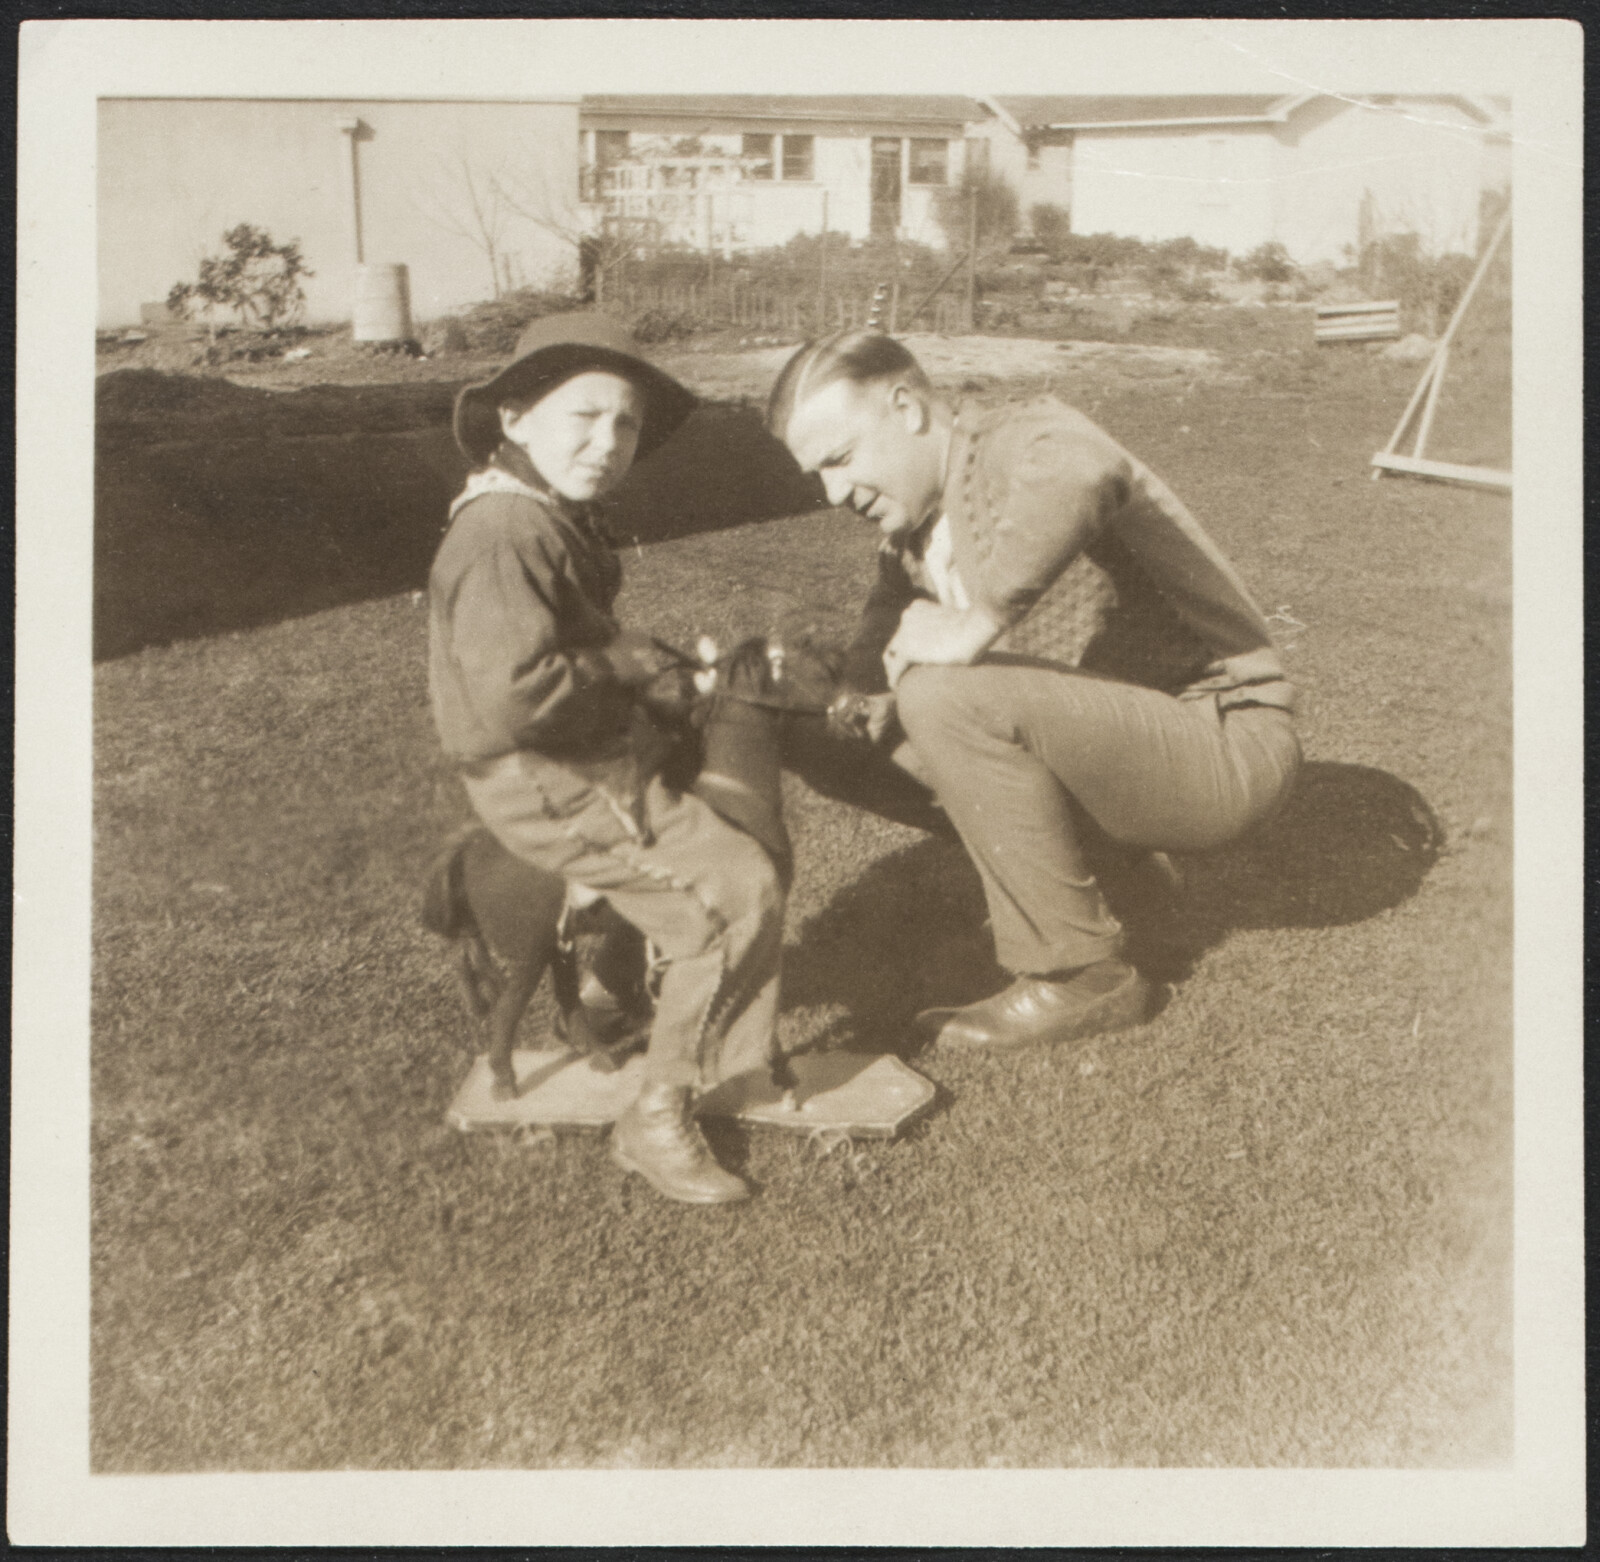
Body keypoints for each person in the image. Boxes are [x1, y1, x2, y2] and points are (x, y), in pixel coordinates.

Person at [769, 330, 1300, 1052]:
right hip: (1132, 754)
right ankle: (1121, 876)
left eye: (840, 458)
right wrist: (818, 706)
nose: (833, 493)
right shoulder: (913, 537)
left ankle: (1079, 974)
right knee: (839, 733)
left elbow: (1086, 471)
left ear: (907, 407)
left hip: (1224, 739)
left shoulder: (1016, 432)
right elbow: (870, 664)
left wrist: (979, 620)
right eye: (817, 475)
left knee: (942, 696)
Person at [430, 313, 783, 1205]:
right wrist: (625, 672)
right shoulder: (507, 531)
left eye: (625, 424)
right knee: (733, 895)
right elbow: (519, 692)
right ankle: (656, 1116)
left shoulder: (546, 517)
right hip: (549, 780)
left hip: (573, 757)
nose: (607, 441)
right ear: (514, 419)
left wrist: (651, 669)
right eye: (583, 416)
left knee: (718, 814)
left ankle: (622, 984)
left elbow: (570, 643)